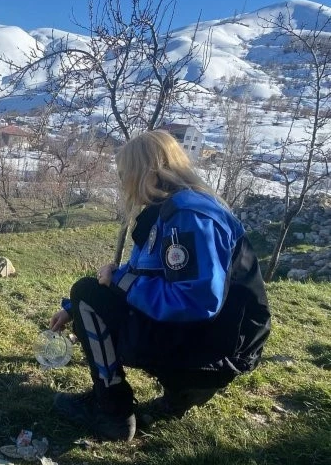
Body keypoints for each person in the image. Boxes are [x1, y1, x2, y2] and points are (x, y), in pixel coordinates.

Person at [49, 130, 271, 442]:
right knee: (86, 296)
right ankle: (179, 396)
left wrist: (118, 284)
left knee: (87, 291)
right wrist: (72, 310)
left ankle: (112, 410)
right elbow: (142, 271)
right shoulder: (174, 211)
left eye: (125, 174)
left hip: (213, 351)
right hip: (215, 344)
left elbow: (196, 301)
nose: (123, 182)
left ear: (145, 173)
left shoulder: (190, 217)